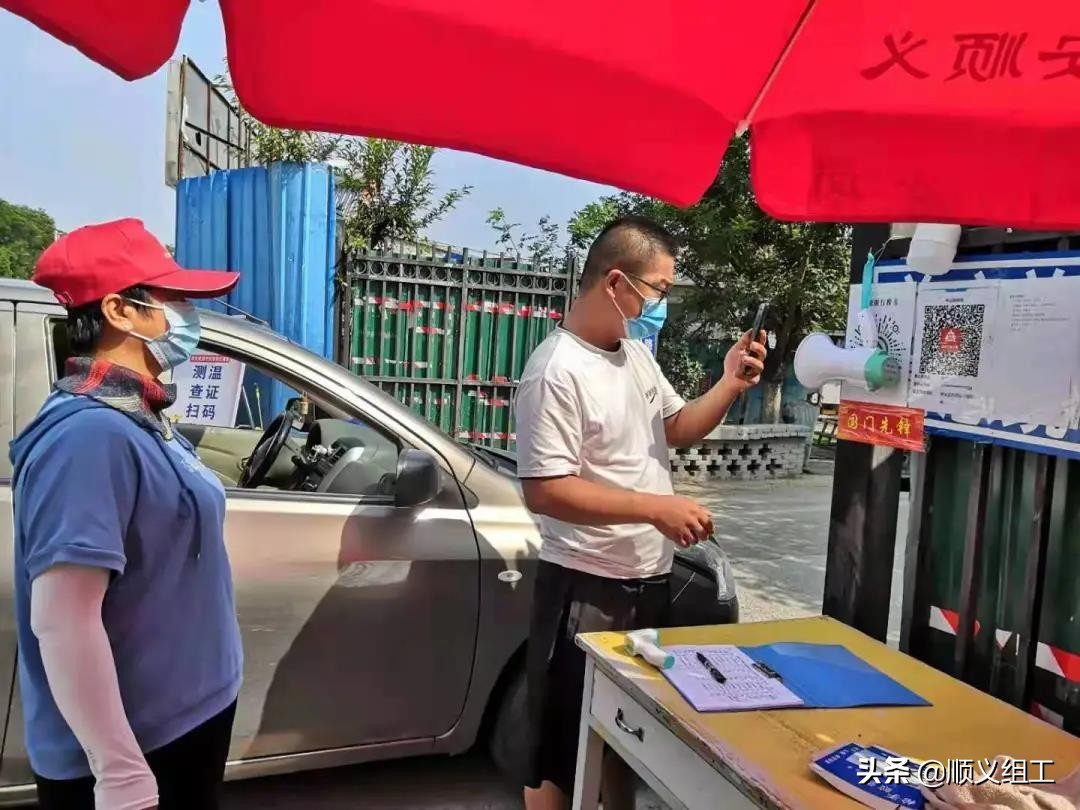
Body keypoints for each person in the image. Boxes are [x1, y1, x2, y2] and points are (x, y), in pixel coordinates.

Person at [514, 216, 767, 810]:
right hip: (585, 588)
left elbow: (676, 429)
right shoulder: (555, 371)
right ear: (617, 283)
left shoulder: (635, 357)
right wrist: (654, 509)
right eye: (658, 291)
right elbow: (546, 489)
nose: (661, 305)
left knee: (627, 736)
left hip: (646, 584)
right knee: (557, 750)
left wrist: (729, 383)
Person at [9, 218, 244, 810]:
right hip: (144, 745)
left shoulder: (138, 416)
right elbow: (63, 621)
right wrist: (118, 769)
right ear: (119, 309)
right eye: (174, 300)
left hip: (186, 720)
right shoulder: (87, 436)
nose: (188, 316)